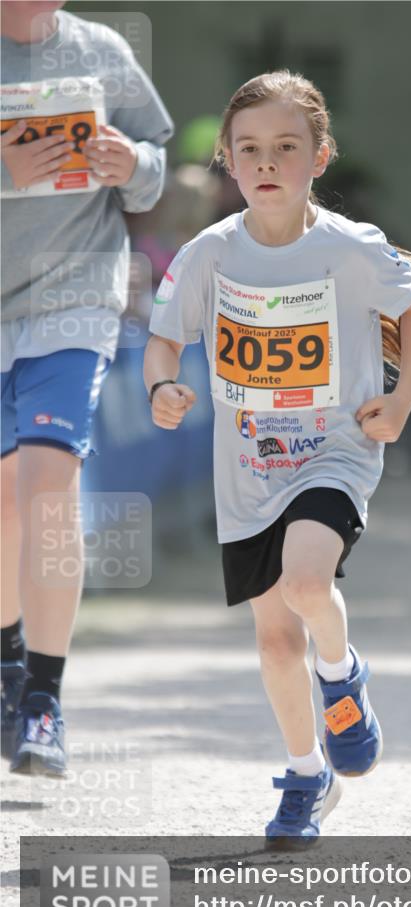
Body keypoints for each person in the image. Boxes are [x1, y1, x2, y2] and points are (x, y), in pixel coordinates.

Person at [145, 70, 411, 849]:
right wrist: (163, 388)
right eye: (249, 150)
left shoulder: (349, 247)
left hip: (334, 452)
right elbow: (163, 337)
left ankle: (342, 676)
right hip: (247, 472)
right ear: (229, 164)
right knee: (277, 640)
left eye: (285, 147)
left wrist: (402, 397)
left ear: (320, 156)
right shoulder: (209, 253)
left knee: (309, 579)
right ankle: (306, 775)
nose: (266, 162)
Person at [0, 0, 173, 774]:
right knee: (5, 498)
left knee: (47, 483)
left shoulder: (102, 51)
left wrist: (132, 167)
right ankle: (8, 667)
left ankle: (44, 699)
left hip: (75, 303)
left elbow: (159, 162)